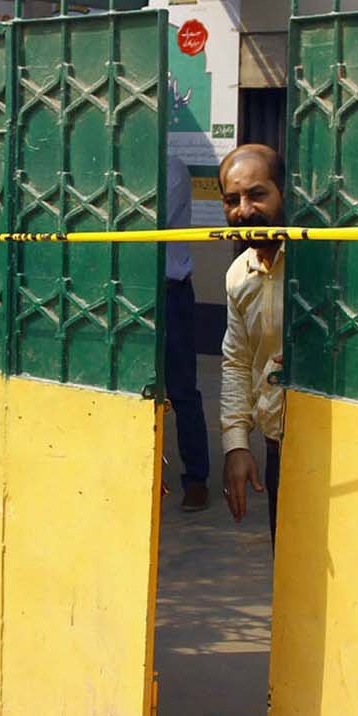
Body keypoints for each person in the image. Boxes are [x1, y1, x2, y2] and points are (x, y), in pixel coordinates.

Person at [218, 143, 287, 544]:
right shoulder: (237, 274)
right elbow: (236, 362)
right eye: (232, 200)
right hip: (276, 445)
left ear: (283, 193)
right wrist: (236, 445)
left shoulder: (320, 259)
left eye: (257, 195)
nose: (243, 211)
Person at [163, 149, 210, 510]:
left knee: (182, 390)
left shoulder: (170, 166)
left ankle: (196, 478)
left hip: (170, 292)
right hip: (129, 290)